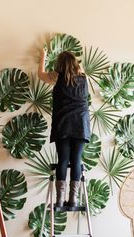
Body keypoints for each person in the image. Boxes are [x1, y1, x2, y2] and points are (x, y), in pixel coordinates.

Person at [38, 49, 90, 207]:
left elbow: (40, 74)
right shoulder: (83, 77)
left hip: (63, 124)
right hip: (81, 125)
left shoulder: (56, 76)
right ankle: (73, 200)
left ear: (59, 64)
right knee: (76, 161)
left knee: (62, 160)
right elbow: (79, 69)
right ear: (75, 63)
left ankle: (60, 200)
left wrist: (43, 56)